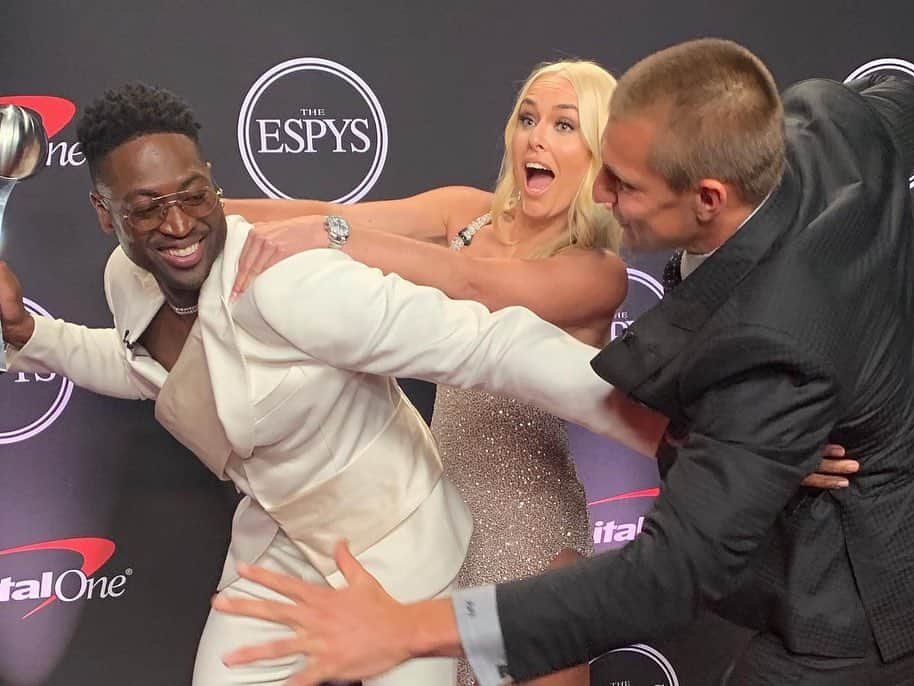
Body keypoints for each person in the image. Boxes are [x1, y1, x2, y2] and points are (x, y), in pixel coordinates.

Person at [212, 38, 914, 686]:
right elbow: (892, 102)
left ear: (709, 197)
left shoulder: (769, 356)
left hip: (870, 582)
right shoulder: (830, 117)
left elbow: (665, 575)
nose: (603, 193)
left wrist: (410, 630)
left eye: (622, 183)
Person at [0, 83, 666, 686]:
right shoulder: (127, 276)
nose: (176, 225)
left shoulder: (292, 285)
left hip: (401, 546)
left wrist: (669, 428)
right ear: (105, 214)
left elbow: (488, 337)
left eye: (191, 196)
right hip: (278, 541)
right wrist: (32, 337)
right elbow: (153, 369)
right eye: (146, 209)